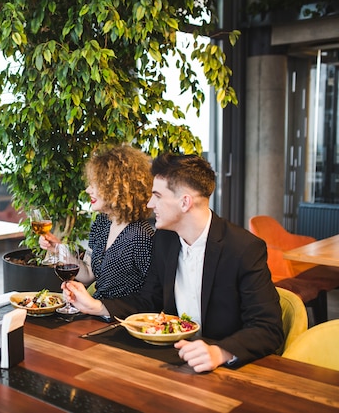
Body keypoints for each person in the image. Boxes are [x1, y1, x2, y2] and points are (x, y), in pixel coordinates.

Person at [65, 153, 284, 372]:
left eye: (157, 195)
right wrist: (97, 306)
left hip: (227, 370)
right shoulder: (165, 240)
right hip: (175, 360)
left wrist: (220, 352)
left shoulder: (243, 248)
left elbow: (268, 328)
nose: (150, 203)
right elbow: (149, 300)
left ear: (185, 202)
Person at [39, 144, 154, 299]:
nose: (88, 190)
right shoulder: (102, 223)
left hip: (120, 318)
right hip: (95, 312)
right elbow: (88, 273)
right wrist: (58, 249)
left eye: (95, 184)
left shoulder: (141, 236)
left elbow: (151, 297)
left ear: (117, 188)